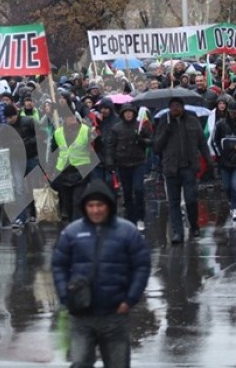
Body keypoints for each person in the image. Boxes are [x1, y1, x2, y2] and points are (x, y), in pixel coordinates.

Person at [51, 180, 151, 368]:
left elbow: (142, 266)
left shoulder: (127, 232)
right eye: (91, 205)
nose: (95, 210)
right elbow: (58, 265)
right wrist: (66, 297)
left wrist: (129, 300)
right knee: (80, 363)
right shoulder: (71, 233)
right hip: (81, 317)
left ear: (109, 206)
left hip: (114, 317)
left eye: (100, 205)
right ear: (85, 207)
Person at [153, 97, 216, 243]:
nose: (175, 108)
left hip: (189, 167)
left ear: (182, 107)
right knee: (173, 202)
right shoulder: (164, 121)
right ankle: (177, 232)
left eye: (177, 106)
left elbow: (201, 143)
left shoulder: (192, 120)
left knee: (190, 199)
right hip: (171, 168)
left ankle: (194, 225)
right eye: (172, 106)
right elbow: (156, 147)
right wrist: (166, 132)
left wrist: (209, 161)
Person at [106, 104, 152, 231]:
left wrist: (141, 140)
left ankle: (140, 217)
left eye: (130, 112)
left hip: (138, 163)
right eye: (126, 112)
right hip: (123, 164)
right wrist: (110, 162)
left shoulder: (140, 126)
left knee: (138, 190)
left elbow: (151, 141)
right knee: (127, 193)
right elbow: (111, 146)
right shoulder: (116, 128)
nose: (128, 114)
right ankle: (130, 219)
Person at [51, 107, 97, 223]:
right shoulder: (57, 133)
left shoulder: (85, 130)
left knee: (77, 200)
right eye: (68, 117)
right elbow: (54, 151)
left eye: (72, 116)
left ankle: (78, 225)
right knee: (67, 202)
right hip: (64, 171)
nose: (71, 119)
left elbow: (96, 147)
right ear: (64, 119)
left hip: (81, 170)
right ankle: (72, 223)